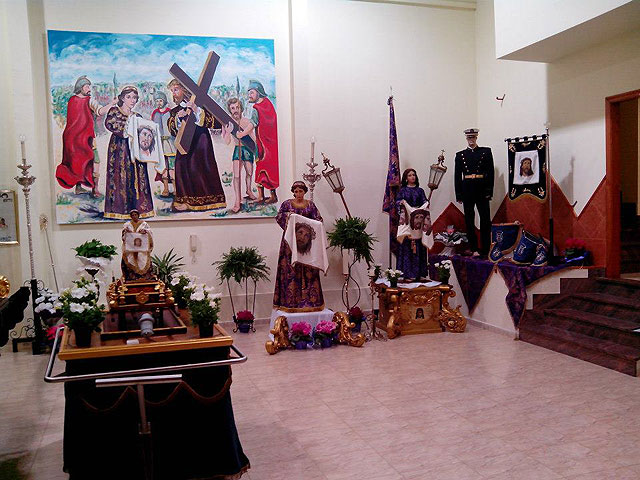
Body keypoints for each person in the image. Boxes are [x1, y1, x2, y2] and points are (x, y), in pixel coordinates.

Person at [167, 79, 226, 212]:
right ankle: (186, 201)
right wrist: (178, 119)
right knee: (182, 168)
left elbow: (216, 122)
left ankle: (210, 200)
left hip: (200, 143)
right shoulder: (175, 111)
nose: (173, 94)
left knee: (199, 168)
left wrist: (197, 111)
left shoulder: (201, 104)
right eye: (172, 91)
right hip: (184, 144)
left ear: (184, 89)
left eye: (176, 89)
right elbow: (171, 128)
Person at [55, 75, 115, 197]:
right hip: (80, 138)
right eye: (87, 86)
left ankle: (89, 188)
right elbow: (100, 111)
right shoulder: (84, 100)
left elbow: (98, 111)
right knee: (89, 161)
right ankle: (92, 189)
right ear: (81, 87)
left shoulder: (76, 100)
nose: (89, 89)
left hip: (75, 137)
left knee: (79, 161)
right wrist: (112, 103)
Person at [103, 86, 155, 220]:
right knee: (121, 177)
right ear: (122, 98)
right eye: (129, 97)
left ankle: (139, 209)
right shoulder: (115, 111)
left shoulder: (137, 116)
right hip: (119, 150)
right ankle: (119, 210)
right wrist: (128, 127)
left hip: (135, 152)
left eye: (135, 98)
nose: (132, 100)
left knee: (137, 178)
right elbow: (110, 124)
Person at [273, 181, 324, 312]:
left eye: (300, 191)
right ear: (293, 192)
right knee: (290, 269)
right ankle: (290, 301)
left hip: (307, 244)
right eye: (296, 191)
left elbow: (318, 220)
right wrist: (289, 217)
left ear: (304, 191)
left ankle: (311, 301)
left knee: (309, 270)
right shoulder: (287, 204)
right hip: (290, 243)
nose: (298, 194)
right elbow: (279, 217)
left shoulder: (310, 205)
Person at [454, 128, 494, 256]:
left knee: (485, 219)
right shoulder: (460, 155)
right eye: (469, 137)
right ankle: (474, 248)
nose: (471, 140)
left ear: (476, 137)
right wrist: (458, 194)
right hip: (467, 189)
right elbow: (457, 176)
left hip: (482, 188)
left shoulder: (485, 152)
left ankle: (485, 249)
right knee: (469, 220)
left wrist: (489, 191)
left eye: (473, 137)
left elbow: (490, 172)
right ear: (466, 138)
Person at [221, 97, 257, 213]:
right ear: (229, 110)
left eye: (237, 107)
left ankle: (248, 190)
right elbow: (227, 142)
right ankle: (237, 200)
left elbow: (254, 139)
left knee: (249, 172)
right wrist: (228, 132)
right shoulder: (227, 123)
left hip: (247, 150)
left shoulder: (247, 122)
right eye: (233, 108)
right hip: (237, 149)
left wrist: (258, 151)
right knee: (236, 176)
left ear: (241, 108)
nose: (235, 110)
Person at [395, 168, 431, 280]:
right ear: (406, 178)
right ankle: (407, 273)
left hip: (418, 223)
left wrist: (426, 203)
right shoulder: (403, 191)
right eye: (410, 175)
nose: (412, 177)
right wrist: (401, 203)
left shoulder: (420, 191)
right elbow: (397, 202)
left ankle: (419, 273)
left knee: (419, 246)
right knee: (407, 247)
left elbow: (424, 201)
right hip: (407, 222)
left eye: (414, 175)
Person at [248, 80, 279, 205]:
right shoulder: (268, 104)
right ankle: (269, 195)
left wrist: (242, 134)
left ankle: (263, 196)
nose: (249, 95)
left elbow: (252, 124)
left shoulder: (257, 108)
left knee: (262, 167)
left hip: (264, 145)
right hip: (269, 144)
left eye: (251, 92)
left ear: (258, 92)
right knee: (267, 168)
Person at [151, 92, 175, 197]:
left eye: (160, 100)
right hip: (160, 144)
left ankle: (176, 189)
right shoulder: (155, 113)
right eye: (157, 101)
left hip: (170, 143)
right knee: (163, 167)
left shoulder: (170, 112)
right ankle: (165, 189)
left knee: (172, 166)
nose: (159, 103)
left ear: (164, 101)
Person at [121, 209, 154, 281]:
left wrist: (145, 231)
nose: (134, 216)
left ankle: (144, 278)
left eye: (135, 214)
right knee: (130, 260)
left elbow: (149, 233)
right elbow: (123, 236)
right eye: (132, 215)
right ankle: (131, 279)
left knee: (143, 261)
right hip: (130, 249)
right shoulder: (127, 224)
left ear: (138, 215)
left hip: (142, 249)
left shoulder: (144, 224)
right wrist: (126, 232)